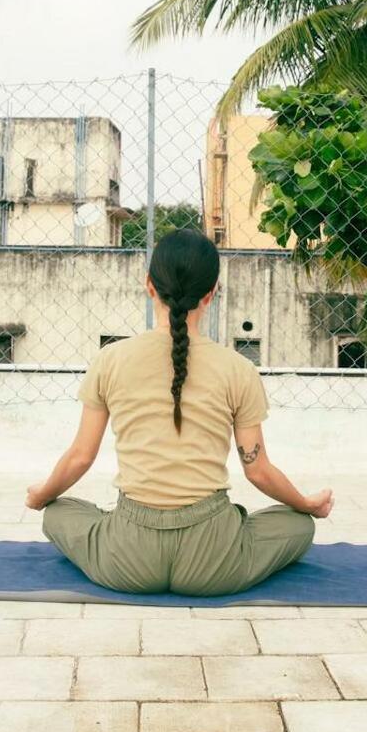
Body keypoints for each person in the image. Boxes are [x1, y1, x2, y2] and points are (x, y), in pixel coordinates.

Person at [24, 229, 333, 596]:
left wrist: (41, 496)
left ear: (149, 285)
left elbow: (80, 457)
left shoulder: (110, 360)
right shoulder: (238, 369)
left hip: (129, 557)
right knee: (299, 525)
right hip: (214, 561)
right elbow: (258, 469)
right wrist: (307, 504)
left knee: (59, 513)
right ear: (212, 293)